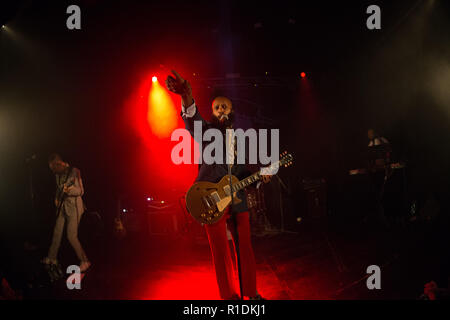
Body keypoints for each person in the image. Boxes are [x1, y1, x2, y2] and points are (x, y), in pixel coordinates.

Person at [166, 70, 270, 300]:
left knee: (245, 248)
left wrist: (260, 179)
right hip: (210, 196)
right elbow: (192, 119)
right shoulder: (206, 132)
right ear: (212, 113)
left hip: (238, 196)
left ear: (232, 111)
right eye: (217, 107)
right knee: (220, 251)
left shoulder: (241, 139)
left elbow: (244, 173)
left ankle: (251, 293)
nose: (222, 109)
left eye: (225, 106)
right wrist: (186, 96)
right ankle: (228, 297)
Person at [41, 154, 91, 273]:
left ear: (59, 164)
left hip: (75, 208)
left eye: (54, 168)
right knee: (57, 232)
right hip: (63, 207)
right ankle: (52, 258)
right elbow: (59, 189)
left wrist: (69, 190)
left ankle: (85, 261)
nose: (53, 171)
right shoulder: (58, 175)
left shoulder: (74, 171)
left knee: (71, 236)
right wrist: (57, 199)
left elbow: (81, 191)